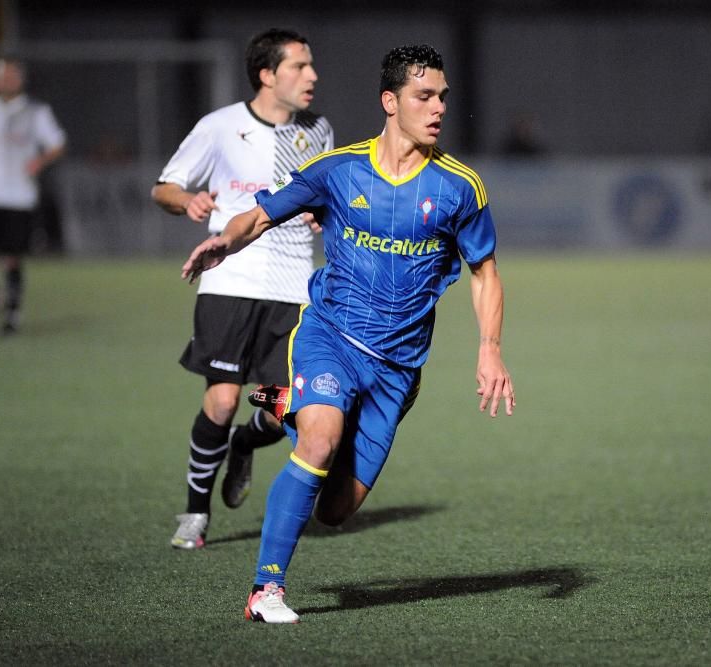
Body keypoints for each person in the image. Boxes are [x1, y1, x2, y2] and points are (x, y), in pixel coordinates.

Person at [182, 44, 516, 623]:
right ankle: (267, 590)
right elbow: (261, 214)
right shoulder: (340, 170)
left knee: (335, 509)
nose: (438, 108)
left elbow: (485, 272)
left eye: (442, 97)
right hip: (330, 336)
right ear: (391, 102)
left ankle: (265, 414)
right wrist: (224, 241)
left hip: (397, 369)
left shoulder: (462, 186)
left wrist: (490, 350)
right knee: (319, 440)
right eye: (424, 96)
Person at [152, 29, 334, 550]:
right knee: (223, 399)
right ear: (267, 74)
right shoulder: (220, 126)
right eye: (299, 66)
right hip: (230, 279)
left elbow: (325, 194)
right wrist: (184, 201)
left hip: (295, 287)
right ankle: (194, 514)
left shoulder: (318, 130)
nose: (312, 76)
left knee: (284, 406)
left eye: (310, 65)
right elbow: (162, 186)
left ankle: (245, 444)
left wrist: (325, 214)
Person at [0, 57, 65, 334]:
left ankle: (12, 313)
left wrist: (40, 161)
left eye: (11, 76)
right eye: (1, 76)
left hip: (19, 196)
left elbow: (57, 143)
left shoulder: (35, 111)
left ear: (20, 80)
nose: (6, 81)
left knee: (12, 256)